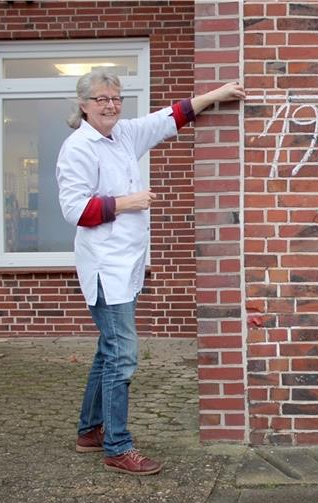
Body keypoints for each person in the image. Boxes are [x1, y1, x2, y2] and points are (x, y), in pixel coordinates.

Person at [57, 70, 245, 475]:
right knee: (123, 356)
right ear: (84, 105)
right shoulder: (78, 148)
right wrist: (129, 202)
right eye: (102, 98)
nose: (111, 104)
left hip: (128, 263)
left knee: (108, 350)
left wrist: (220, 93)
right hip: (106, 266)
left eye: (116, 97)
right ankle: (117, 446)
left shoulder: (123, 134)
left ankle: (89, 431)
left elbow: (170, 117)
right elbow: (74, 211)